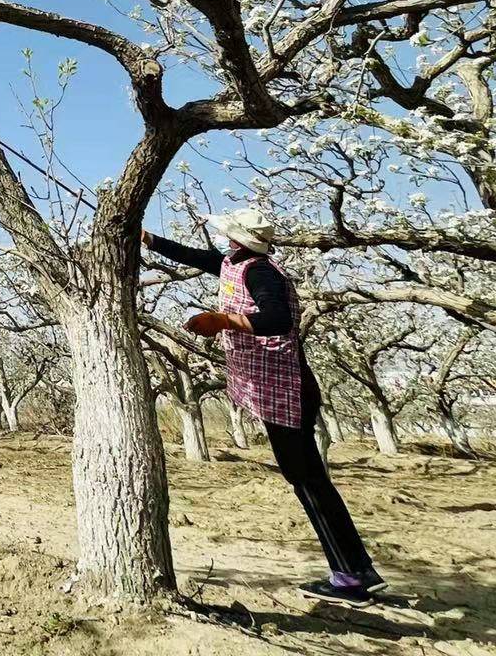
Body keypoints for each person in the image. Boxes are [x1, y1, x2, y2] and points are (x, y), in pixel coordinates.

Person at [142, 207, 384, 607]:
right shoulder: (235, 264)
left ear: (239, 240)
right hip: (279, 387)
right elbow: (195, 256)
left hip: (287, 388)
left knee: (307, 479)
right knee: (308, 478)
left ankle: (351, 577)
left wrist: (223, 320)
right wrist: (149, 240)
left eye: (228, 236)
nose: (223, 242)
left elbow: (277, 318)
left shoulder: (260, 272)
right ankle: (356, 571)